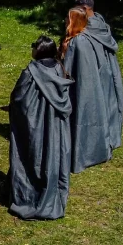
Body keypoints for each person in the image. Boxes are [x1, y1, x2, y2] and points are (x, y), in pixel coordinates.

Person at [7, 36, 74, 220]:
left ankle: (30, 197)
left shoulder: (31, 72)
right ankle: (51, 191)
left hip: (35, 125)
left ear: (39, 51)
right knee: (52, 157)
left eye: (34, 47)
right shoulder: (60, 70)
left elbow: (19, 98)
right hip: (56, 127)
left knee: (33, 157)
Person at [60, 6, 123, 173]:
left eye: (68, 18)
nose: (65, 21)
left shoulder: (78, 43)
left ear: (73, 21)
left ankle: (79, 153)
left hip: (81, 88)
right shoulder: (86, 38)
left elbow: (70, 70)